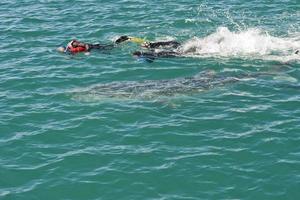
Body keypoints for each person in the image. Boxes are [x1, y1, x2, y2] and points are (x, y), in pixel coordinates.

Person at [115, 35, 181, 50]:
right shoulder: (132, 38)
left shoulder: (130, 40)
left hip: (149, 44)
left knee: (163, 45)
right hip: (149, 43)